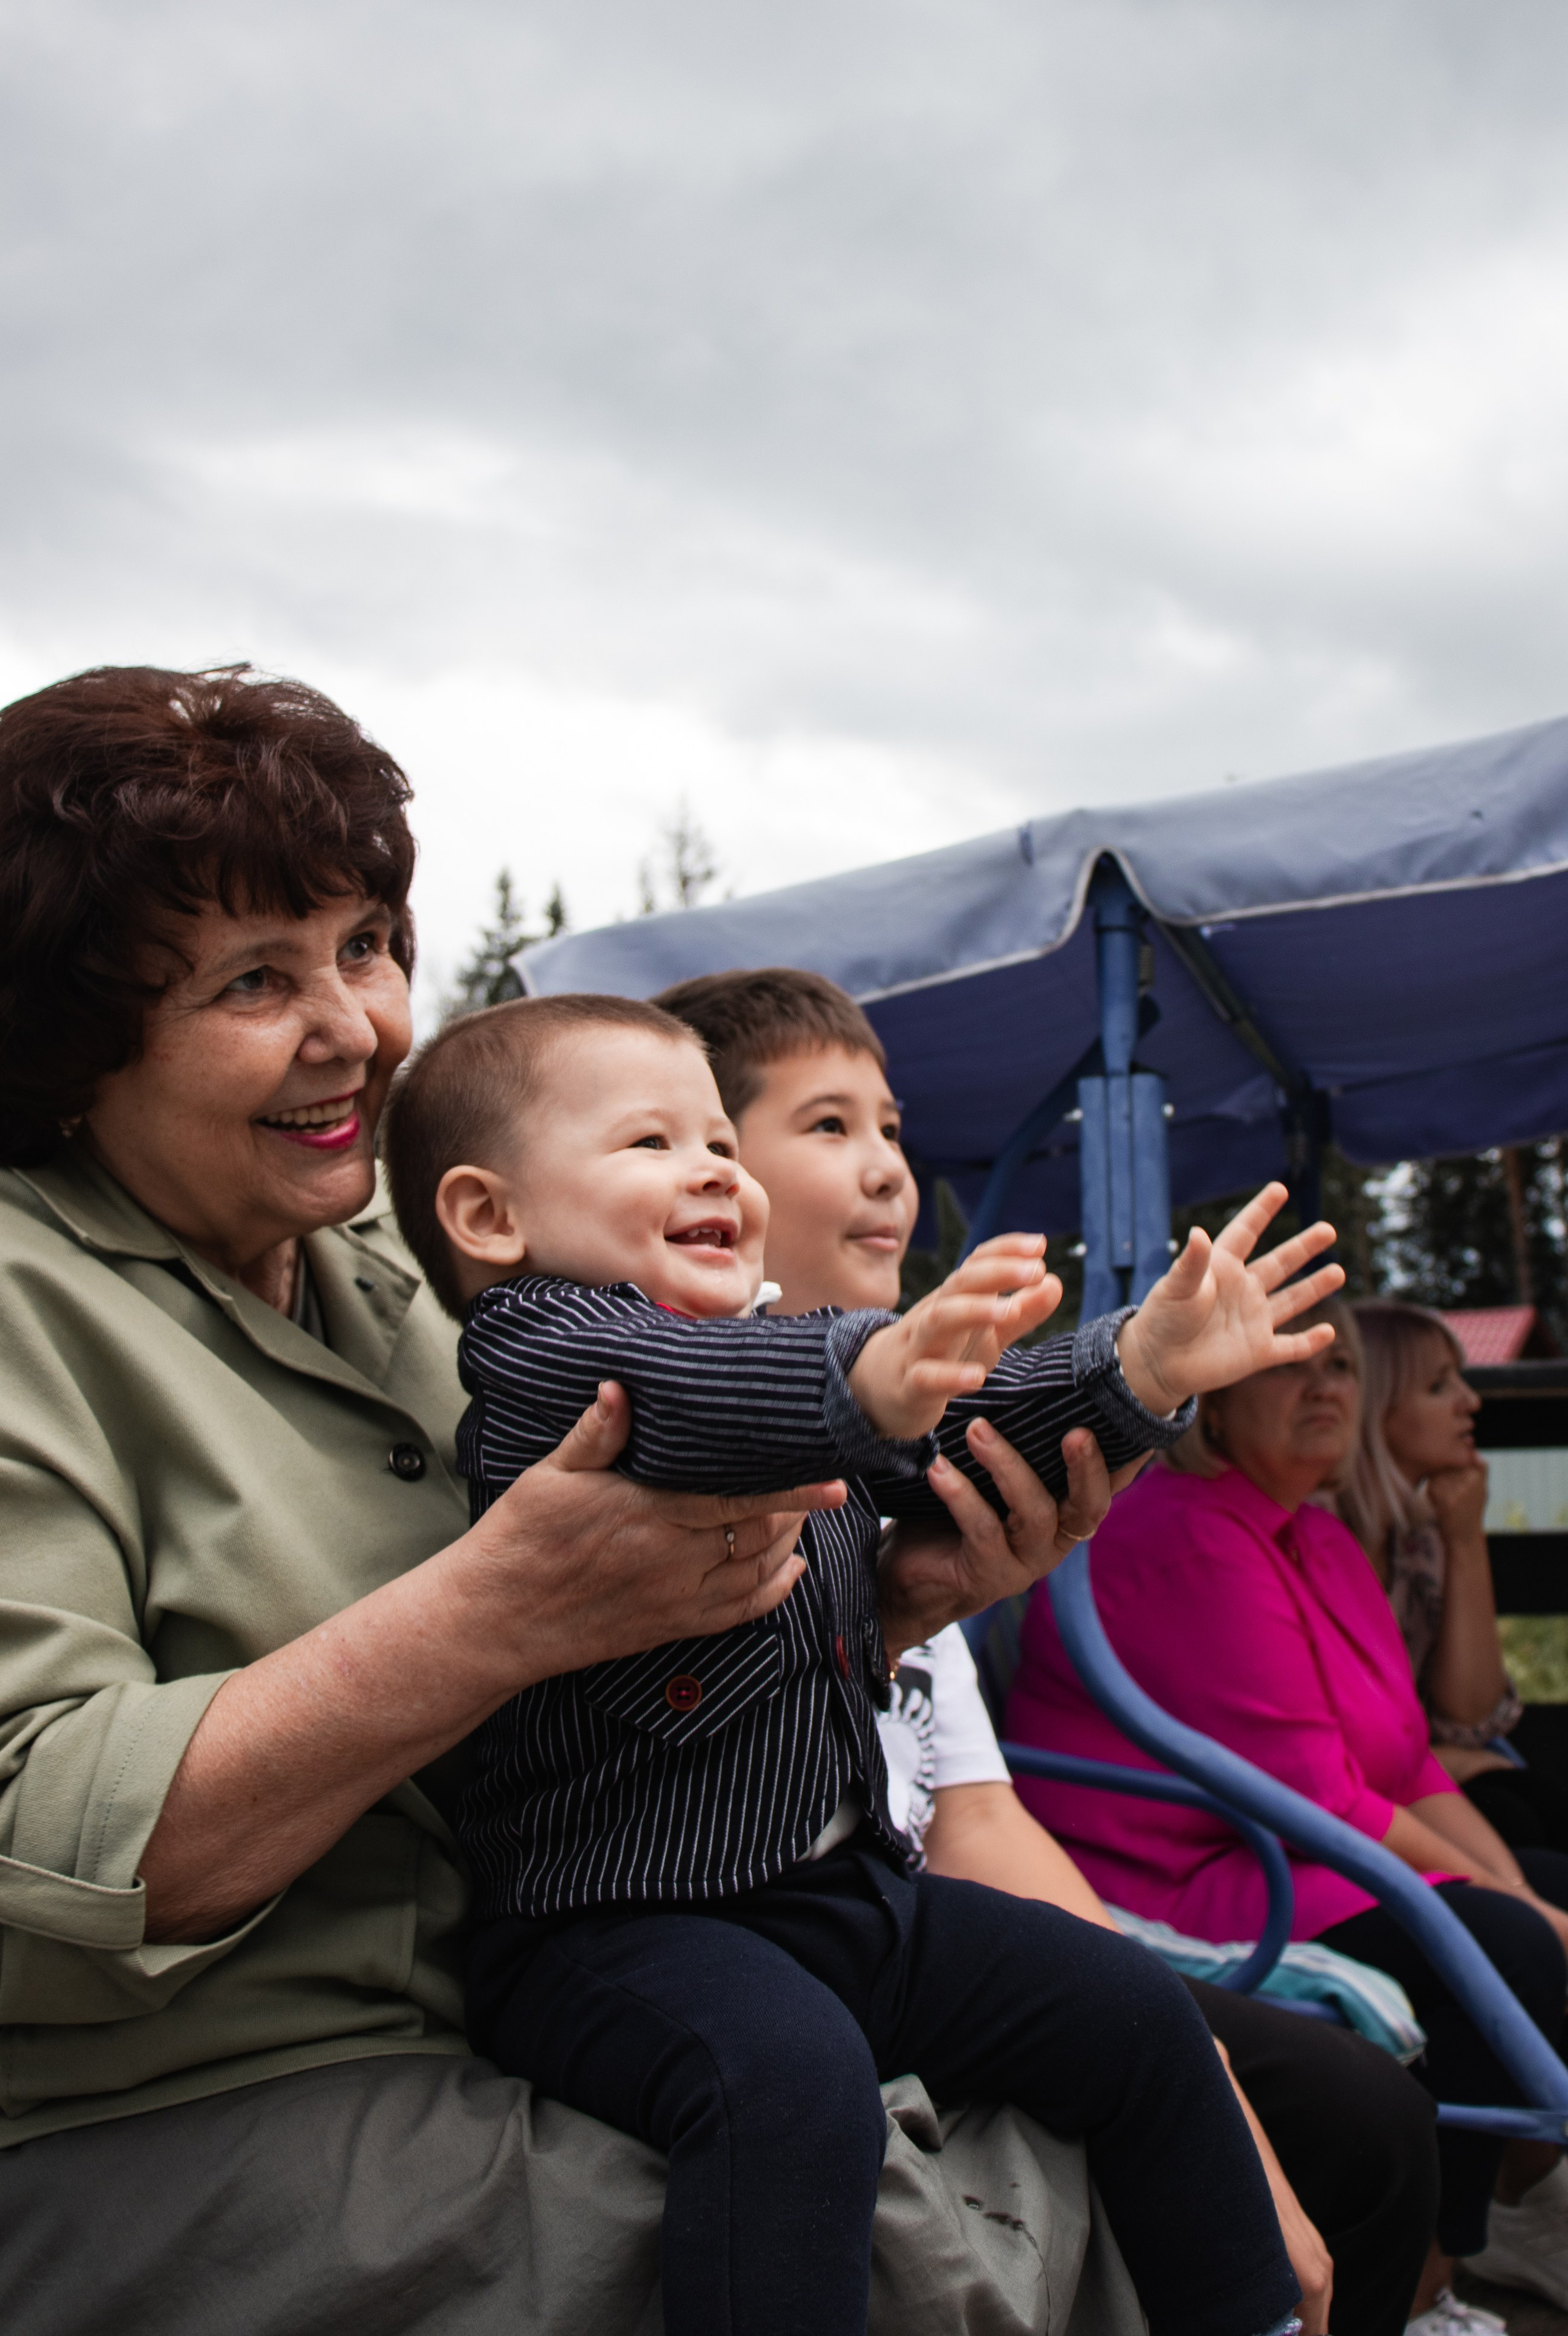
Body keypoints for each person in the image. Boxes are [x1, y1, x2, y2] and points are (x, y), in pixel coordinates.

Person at [0, 663, 1128, 2336]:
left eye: (368, 946)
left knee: (1108, 2103)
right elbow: (34, 1837)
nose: (362, 1029)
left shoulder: (405, 1263)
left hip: (539, 1997)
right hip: (176, 2104)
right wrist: (486, 1617)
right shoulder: (32, 1302)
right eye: (257, 978)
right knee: (955, 2236)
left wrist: (883, 1600)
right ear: (77, 1036)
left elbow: (628, 1599)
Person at [380, 986, 1350, 2336]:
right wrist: (868, 1376)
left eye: (719, 1139)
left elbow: (961, 1427)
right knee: (784, 2085)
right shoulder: (545, 1357)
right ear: (492, 1218)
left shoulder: (787, 1358)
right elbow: (698, 1400)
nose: (711, 1169)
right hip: (611, 1930)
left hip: (829, 1894)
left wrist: (1133, 1369)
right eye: (650, 1143)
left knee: (1129, 2010)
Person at [655, 964, 1443, 2336]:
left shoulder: (906, 1468)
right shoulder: (680, 1428)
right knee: (1337, 2108)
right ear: (715, 1172)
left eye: (892, 1129)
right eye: (831, 1127)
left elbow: (973, 1813)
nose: (890, 1172)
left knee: (1343, 2121)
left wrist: (1187, 2071)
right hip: (744, 1950)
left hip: (902, 1923)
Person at [1005, 1302, 1568, 2324]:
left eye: (1343, 1365)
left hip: (1280, 1849)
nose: (1326, 1386)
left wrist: (1517, 1886)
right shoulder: (1186, 1538)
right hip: (1178, 1875)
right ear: (1212, 1400)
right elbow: (1324, 1795)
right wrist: (1495, 1899)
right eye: (1287, 1363)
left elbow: (1404, 1765)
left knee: (1557, 1893)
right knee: (1504, 1938)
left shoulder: (1320, 1540)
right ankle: (1440, 2268)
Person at [1342, 1300, 1568, 1865]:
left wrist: (1464, 1537)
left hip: (1417, 1780)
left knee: (1544, 1809)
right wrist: (1446, 1760)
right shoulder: (1317, 1536)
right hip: (1360, 1802)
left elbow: (1472, 1715)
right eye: (1438, 1386)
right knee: (1518, 1823)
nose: (1470, 1401)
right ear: (1374, 1408)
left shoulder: (1416, 1541)